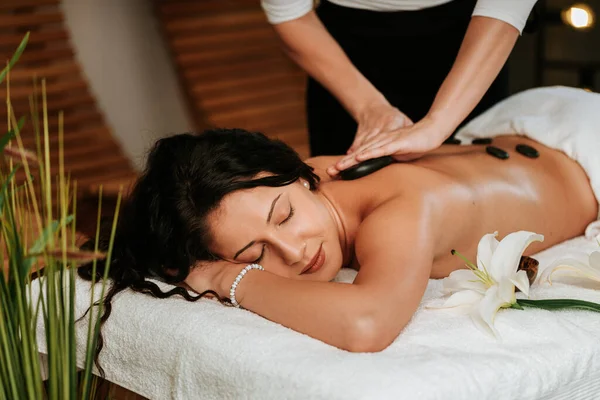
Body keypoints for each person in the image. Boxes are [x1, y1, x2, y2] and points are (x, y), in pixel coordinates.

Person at [78, 87, 600, 372]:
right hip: (524, 132)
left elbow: (366, 325)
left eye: (282, 217)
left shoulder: (400, 208)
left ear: (302, 177)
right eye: (255, 252)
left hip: (584, 150)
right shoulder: (281, 182)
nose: (294, 250)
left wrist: (227, 278)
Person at [260, 0, 538, 175]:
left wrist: (437, 124)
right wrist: (370, 108)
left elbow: (506, 5)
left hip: (471, 41)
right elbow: (289, 12)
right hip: (340, 56)